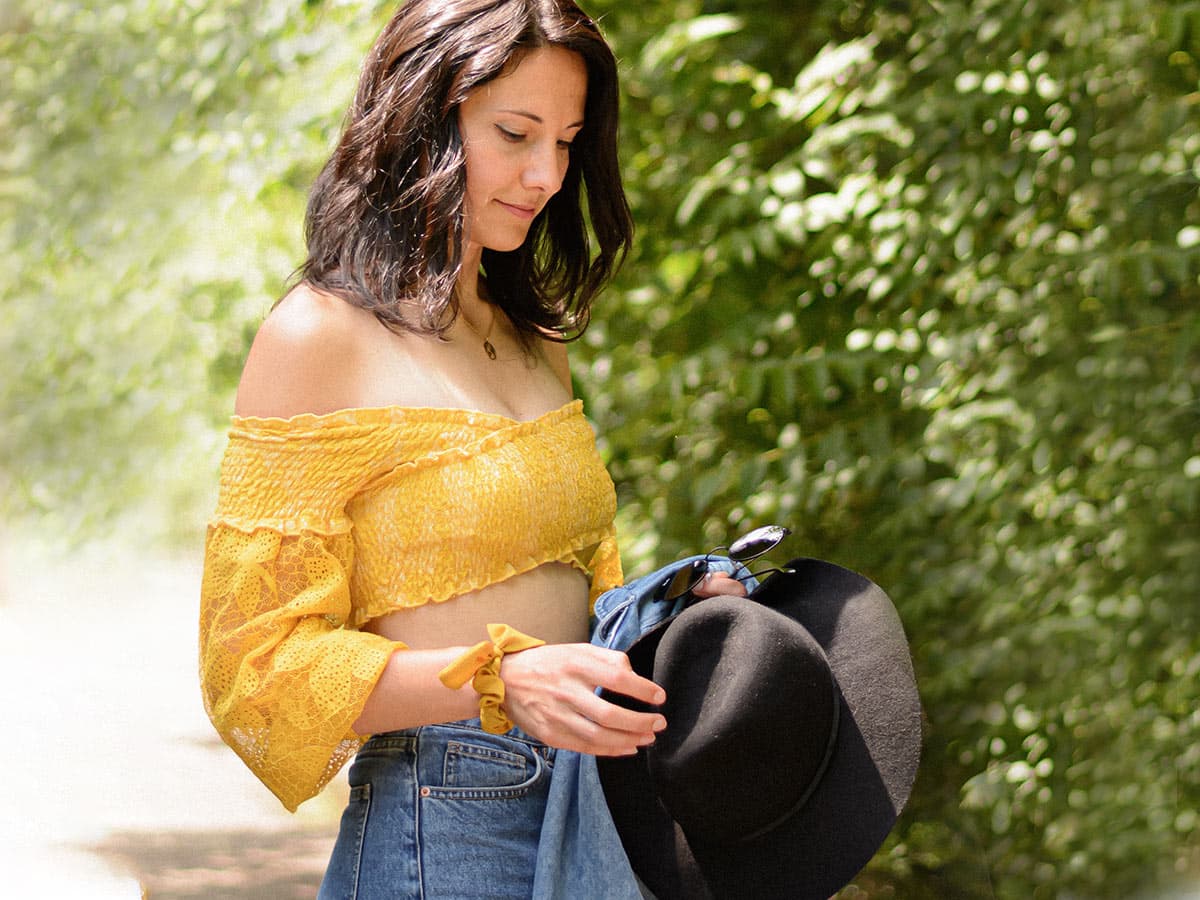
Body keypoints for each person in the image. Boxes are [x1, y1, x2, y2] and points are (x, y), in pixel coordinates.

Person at [198, 1, 741, 896]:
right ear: (422, 121)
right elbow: (253, 673)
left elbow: (571, 606)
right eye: (516, 133)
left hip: (594, 805)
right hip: (446, 817)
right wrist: (498, 676)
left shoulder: (538, 340)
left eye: (566, 142)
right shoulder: (318, 336)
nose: (546, 175)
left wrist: (671, 609)